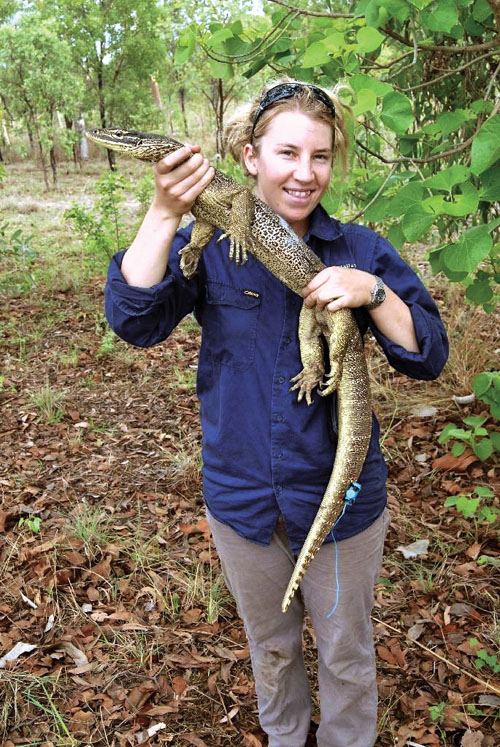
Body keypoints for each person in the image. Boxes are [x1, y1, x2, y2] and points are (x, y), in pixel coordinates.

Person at [105, 80, 448, 747]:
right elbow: (133, 319)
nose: (304, 172)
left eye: (320, 156)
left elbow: (427, 354)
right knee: (271, 648)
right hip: (244, 499)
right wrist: (163, 210)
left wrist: (373, 292)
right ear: (250, 155)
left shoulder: (361, 249)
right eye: (287, 152)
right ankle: (287, 736)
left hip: (342, 504)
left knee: (345, 653)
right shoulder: (212, 241)